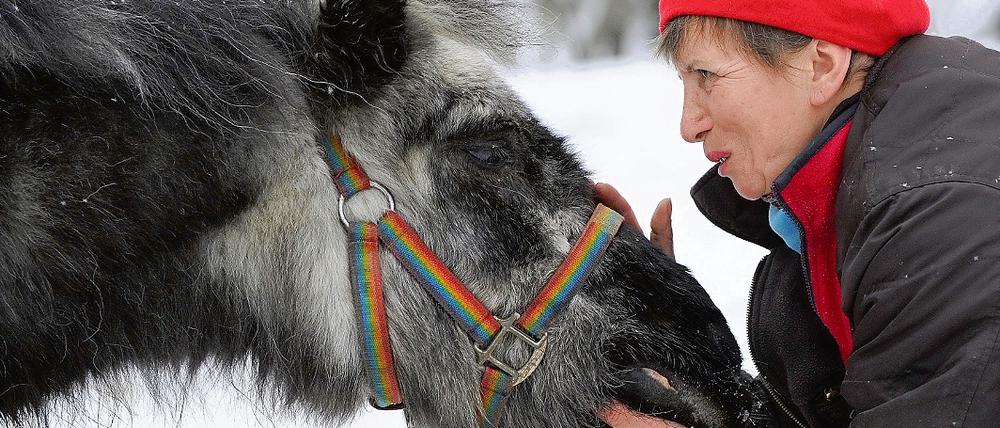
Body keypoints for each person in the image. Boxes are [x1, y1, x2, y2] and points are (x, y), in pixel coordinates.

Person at [597, 0, 1000, 426]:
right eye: (685, 81)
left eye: (707, 76)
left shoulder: (937, 217)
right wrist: (675, 336)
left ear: (821, 67)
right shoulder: (835, 197)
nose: (688, 124)